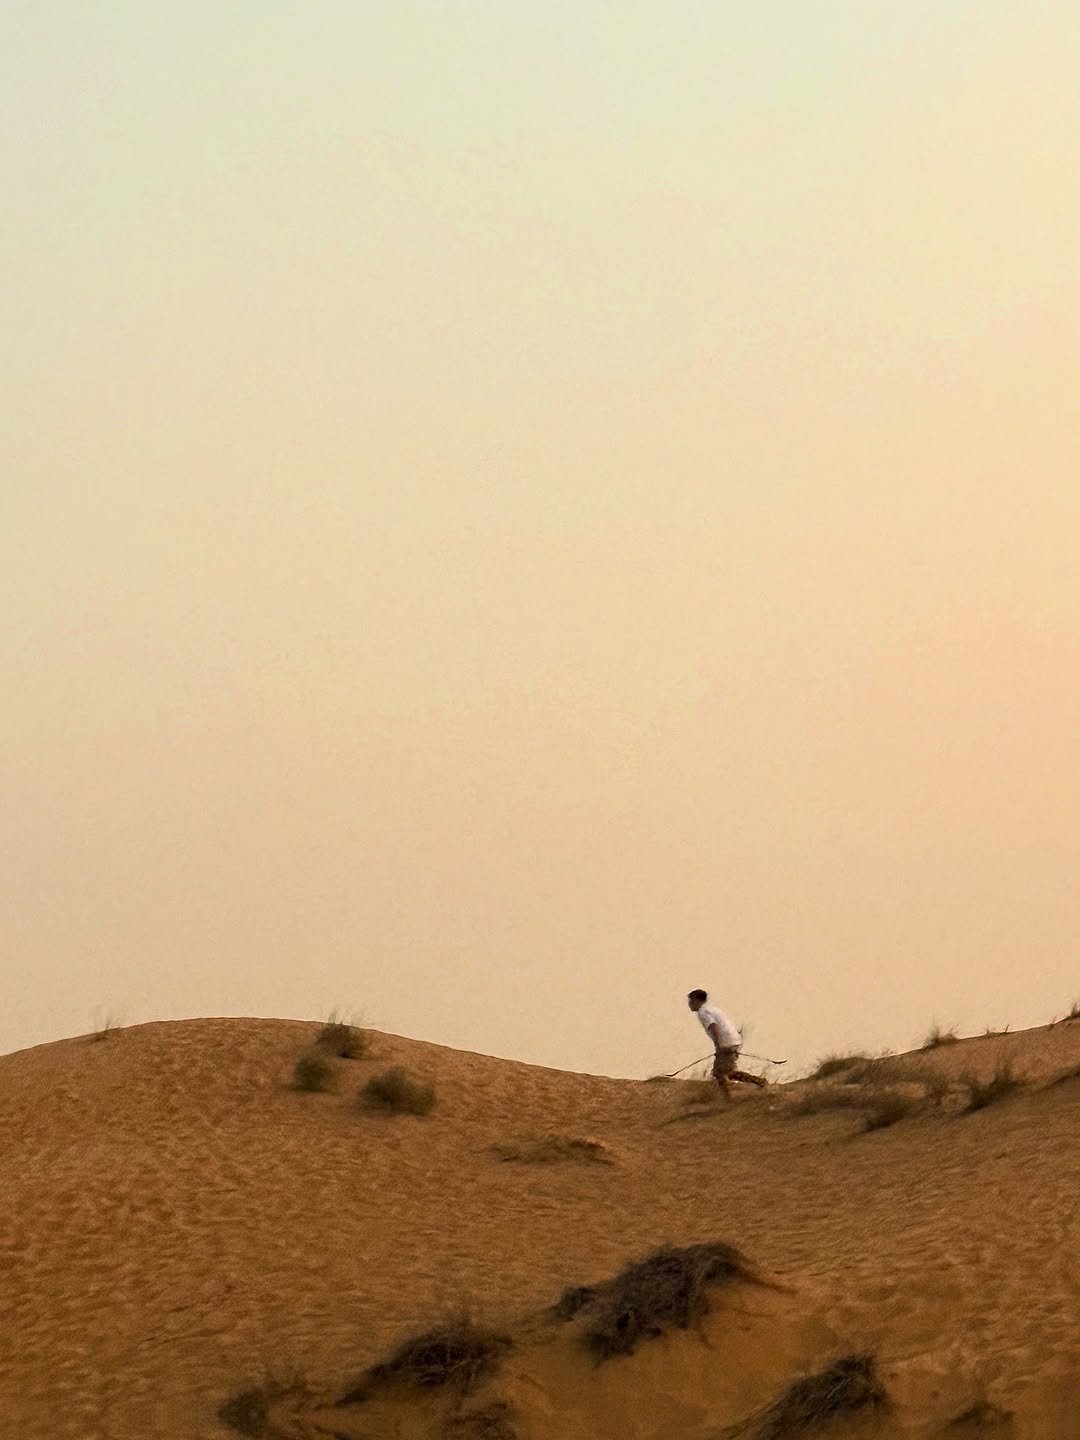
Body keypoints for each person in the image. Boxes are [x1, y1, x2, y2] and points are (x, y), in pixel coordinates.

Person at [687, 989, 767, 1095]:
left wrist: (718, 1046)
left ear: (697, 1000)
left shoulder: (703, 1012)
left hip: (726, 1044)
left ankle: (756, 1083)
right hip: (732, 1041)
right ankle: (755, 1083)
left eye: (691, 1001)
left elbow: (714, 1027)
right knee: (724, 1072)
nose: (689, 1004)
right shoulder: (711, 1008)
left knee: (720, 1073)